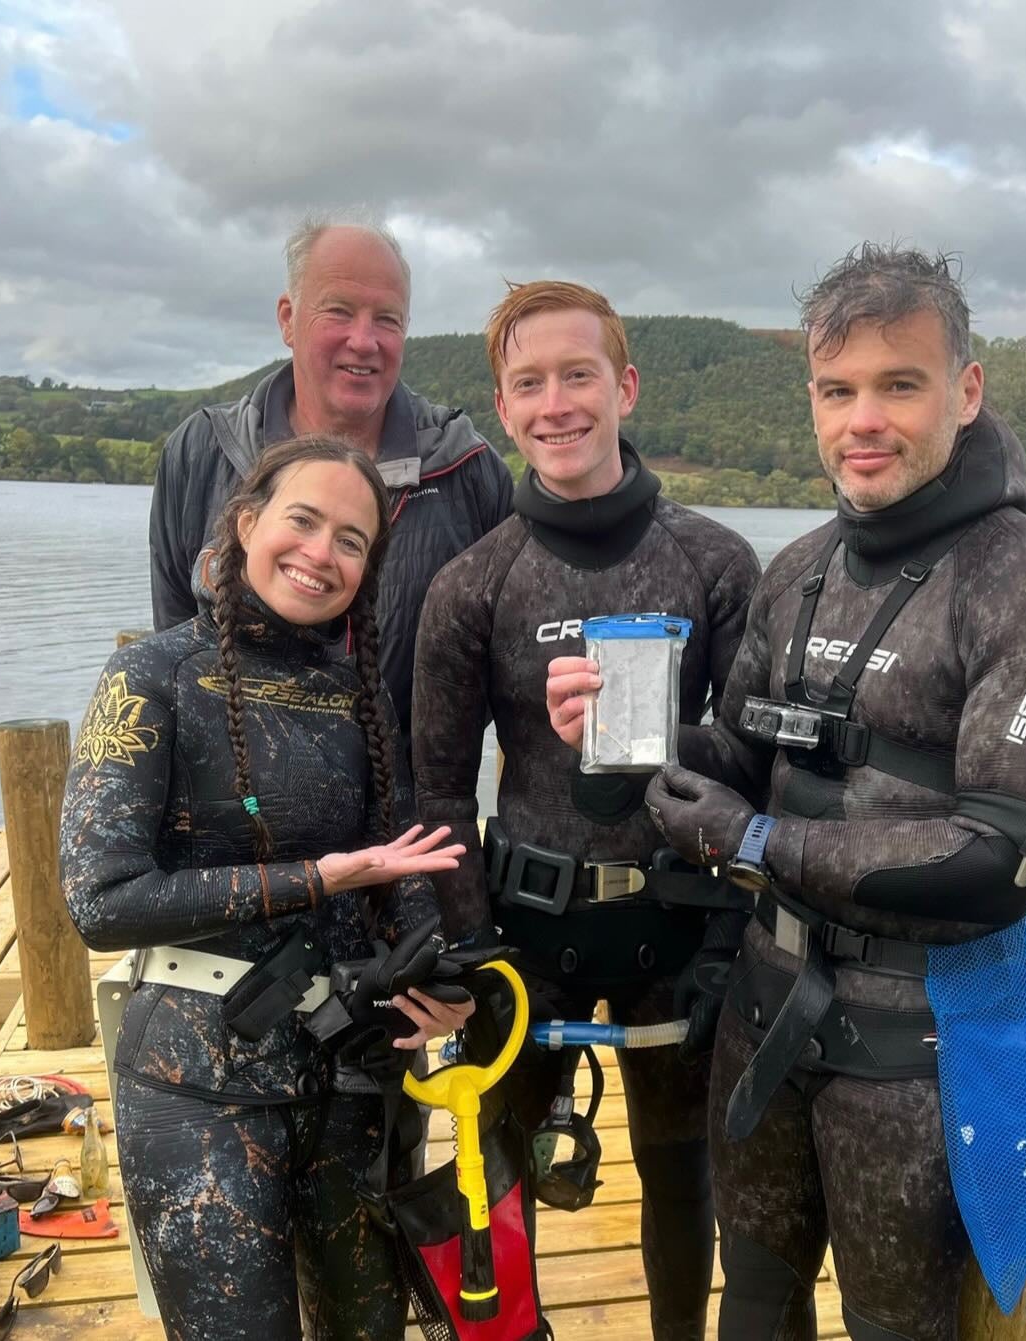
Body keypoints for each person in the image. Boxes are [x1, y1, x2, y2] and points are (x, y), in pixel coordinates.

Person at [549, 245, 1026, 1341]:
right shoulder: (799, 568)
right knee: (754, 1303)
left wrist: (752, 842)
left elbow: (996, 865)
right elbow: (737, 751)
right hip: (763, 1012)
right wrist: (627, 745)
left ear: (967, 389)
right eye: (837, 389)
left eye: (899, 385)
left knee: (894, 1325)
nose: (865, 419)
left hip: (917, 1055)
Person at [62, 436, 474, 1340]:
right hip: (196, 1081)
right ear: (247, 522)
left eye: (353, 541)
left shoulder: (362, 698)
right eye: (303, 520)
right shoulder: (151, 675)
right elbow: (102, 898)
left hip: (352, 1078)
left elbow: (400, 867)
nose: (322, 553)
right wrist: (315, 880)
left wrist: (437, 987)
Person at [411, 281, 762, 1341]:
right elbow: (435, 789)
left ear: (627, 387)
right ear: (504, 406)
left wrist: (729, 929)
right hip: (530, 931)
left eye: (579, 375)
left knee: (680, 1175)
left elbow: (755, 758)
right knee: (497, 1181)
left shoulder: (715, 562)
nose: (556, 403)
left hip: (678, 924)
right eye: (530, 384)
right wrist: (470, 947)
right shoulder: (474, 584)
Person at [148, 212, 514, 763]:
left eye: (387, 320)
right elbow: (174, 650)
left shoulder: (468, 470)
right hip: (239, 824)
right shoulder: (200, 454)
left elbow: (498, 670)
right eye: (339, 311)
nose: (363, 341)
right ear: (288, 319)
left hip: (407, 827)